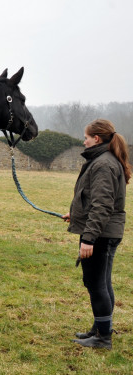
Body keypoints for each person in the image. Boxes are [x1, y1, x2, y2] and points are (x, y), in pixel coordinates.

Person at [62, 119, 131, 350]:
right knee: (102, 282)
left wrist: (89, 238)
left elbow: (102, 206)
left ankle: (103, 339)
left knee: (96, 284)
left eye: (86, 137)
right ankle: (101, 329)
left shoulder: (103, 164)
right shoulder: (106, 161)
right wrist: (76, 214)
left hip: (100, 234)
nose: (84, 141)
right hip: (106, 230)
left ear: (97, 139)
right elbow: (93, 200)